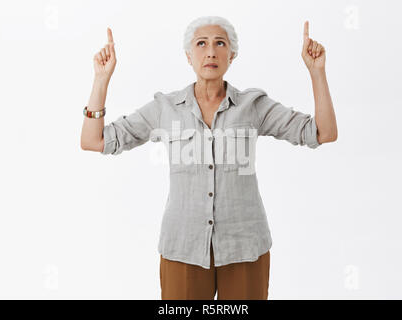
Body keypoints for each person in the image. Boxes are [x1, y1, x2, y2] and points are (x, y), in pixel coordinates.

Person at [80, 16, 337, 300]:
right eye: (201, 44)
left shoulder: (254, 106)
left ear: (232, 54)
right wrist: (101, 80)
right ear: (189, 56)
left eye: (220, 43)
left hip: (245, 247)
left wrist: (317, 73)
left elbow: (322, 132)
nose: (211, 51)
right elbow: (94, 141)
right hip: (183, 247)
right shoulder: (165, 108)